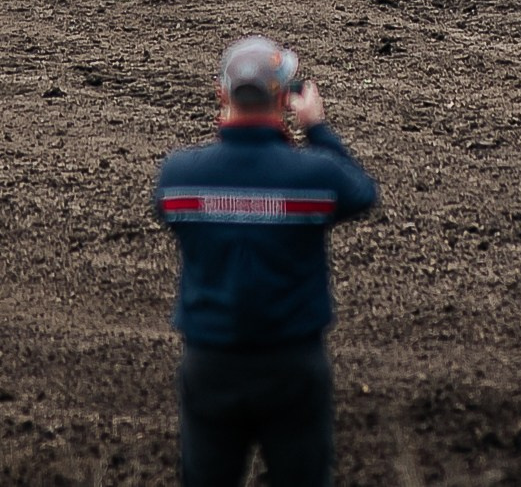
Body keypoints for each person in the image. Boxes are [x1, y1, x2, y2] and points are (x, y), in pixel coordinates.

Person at [154, 37, 377, 487]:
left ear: (222, 93)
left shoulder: (180, 175)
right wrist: (317, 128)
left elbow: (167, 212)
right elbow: (362, 192)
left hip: (211, 362)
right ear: (283, 98)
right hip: (291, 363)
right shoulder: (314, 175)